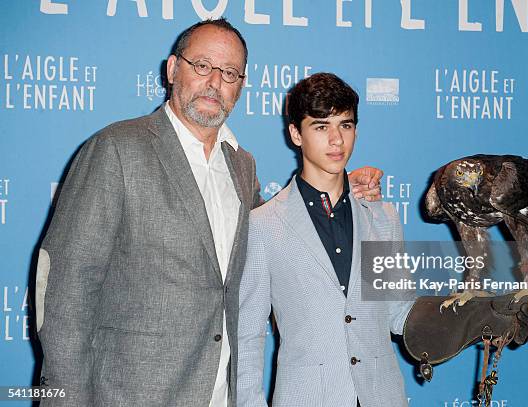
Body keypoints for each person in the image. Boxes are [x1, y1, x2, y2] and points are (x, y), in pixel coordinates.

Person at [35, 19, 382, 407]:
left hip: (221, 396)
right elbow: (66, 290)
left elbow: (280, 247)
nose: (215, 82)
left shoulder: (241, 165)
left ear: (241, 86)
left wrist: (345, 189)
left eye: (229, 73)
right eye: (202, 65)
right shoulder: (117, 149)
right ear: (172, 70)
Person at [237, 72, 412, 407]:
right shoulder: (262, 226)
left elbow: (399, 312)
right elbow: (248, 337)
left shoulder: (382, 217)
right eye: (321, 126)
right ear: (295, 134)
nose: (337, 140)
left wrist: (467, 313)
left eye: (345, 125)